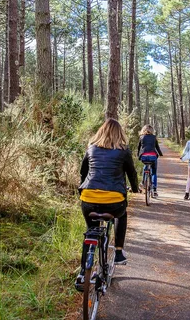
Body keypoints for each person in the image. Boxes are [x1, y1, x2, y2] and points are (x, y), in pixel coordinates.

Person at [77, 118, 139, 289]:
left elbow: (83, 172)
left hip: (88, 198)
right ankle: (118, 251)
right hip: (114, 202)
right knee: (122, 214)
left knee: (91, 231)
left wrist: (82, 188)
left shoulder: (91, 148)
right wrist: (134, 188)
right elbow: (132, 174)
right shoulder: (123, 151)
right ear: (120, 134)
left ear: (101, 131)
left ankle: (83, 272)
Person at [137, 124, 163, 197]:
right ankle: (154, 189)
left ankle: (143, 182)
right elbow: (157, 148)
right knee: (154, 172)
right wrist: (160, 154)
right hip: (153, 157)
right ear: (152, 130)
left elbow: (139, 148)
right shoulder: (154, 137)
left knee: (145, 166)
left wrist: (138, 155)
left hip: (144, 157)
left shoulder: (141, 137)